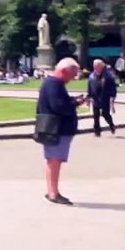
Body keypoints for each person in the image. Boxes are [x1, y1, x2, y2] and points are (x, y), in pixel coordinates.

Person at [38, 57, 86, 205]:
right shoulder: (54, 84)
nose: (72, 78)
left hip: (55, 129)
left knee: (53, 160)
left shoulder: (53, 83)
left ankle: (52, 191)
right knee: (54, 160)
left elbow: (58, 103)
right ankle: (53, 193)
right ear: (63, 71)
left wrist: (71, 100)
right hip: (56, 129)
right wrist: (75, 102)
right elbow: (58, 106)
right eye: (72, 74)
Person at [87, 59, 119, 137]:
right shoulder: (91, 76)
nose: (95, 67)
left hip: (105, 97)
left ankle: (111, 125)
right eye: (94, 65)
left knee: (105, 114)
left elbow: (113, 88)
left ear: (101, 66)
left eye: (97, 66)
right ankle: (97, 131)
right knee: (95, 115)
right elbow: (90, 87)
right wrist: (88, 96)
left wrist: (113, 97)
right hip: (95, 98)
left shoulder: (108, 76)